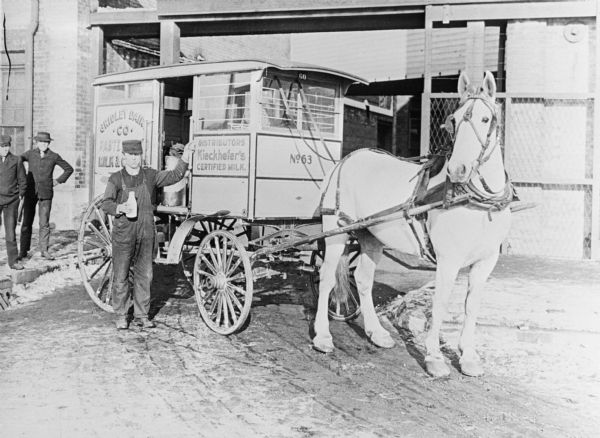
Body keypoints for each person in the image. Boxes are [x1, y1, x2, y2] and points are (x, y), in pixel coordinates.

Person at [101, 139, 193, 329]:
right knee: (121, 275)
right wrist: (119, 207)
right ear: (124, 157)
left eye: (137, 155)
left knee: (145, 274)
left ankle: (141, 315)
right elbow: (106, 203)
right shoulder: (116, 179)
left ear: (141, 156)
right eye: (131, 155)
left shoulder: (150, 175)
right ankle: (121, 315)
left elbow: (174, 176)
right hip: (124, 233)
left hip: (146, 232)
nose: (134, 159)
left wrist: (184, 158)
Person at [19, 131, 73, 261]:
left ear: (49, 143)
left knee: (44, 223)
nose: (43, 144)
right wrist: (22, 178)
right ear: (36, 142)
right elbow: (17, 161)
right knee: (26, 222)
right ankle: (23, 250)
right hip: (30, 192)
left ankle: (44, 250)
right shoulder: (30, 154)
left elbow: (69, 169)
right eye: (41, 142)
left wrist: (58, 181)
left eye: (46, 142)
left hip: (46, 193)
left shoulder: (54, 156)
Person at [0, 135, 27, 270]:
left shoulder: (16, 160)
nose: (4, 149)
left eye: (6, 146)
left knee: (10, 232)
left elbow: (23, 180)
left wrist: (21, 194)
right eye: (2, 147)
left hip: (11, 201)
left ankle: (13, 261)